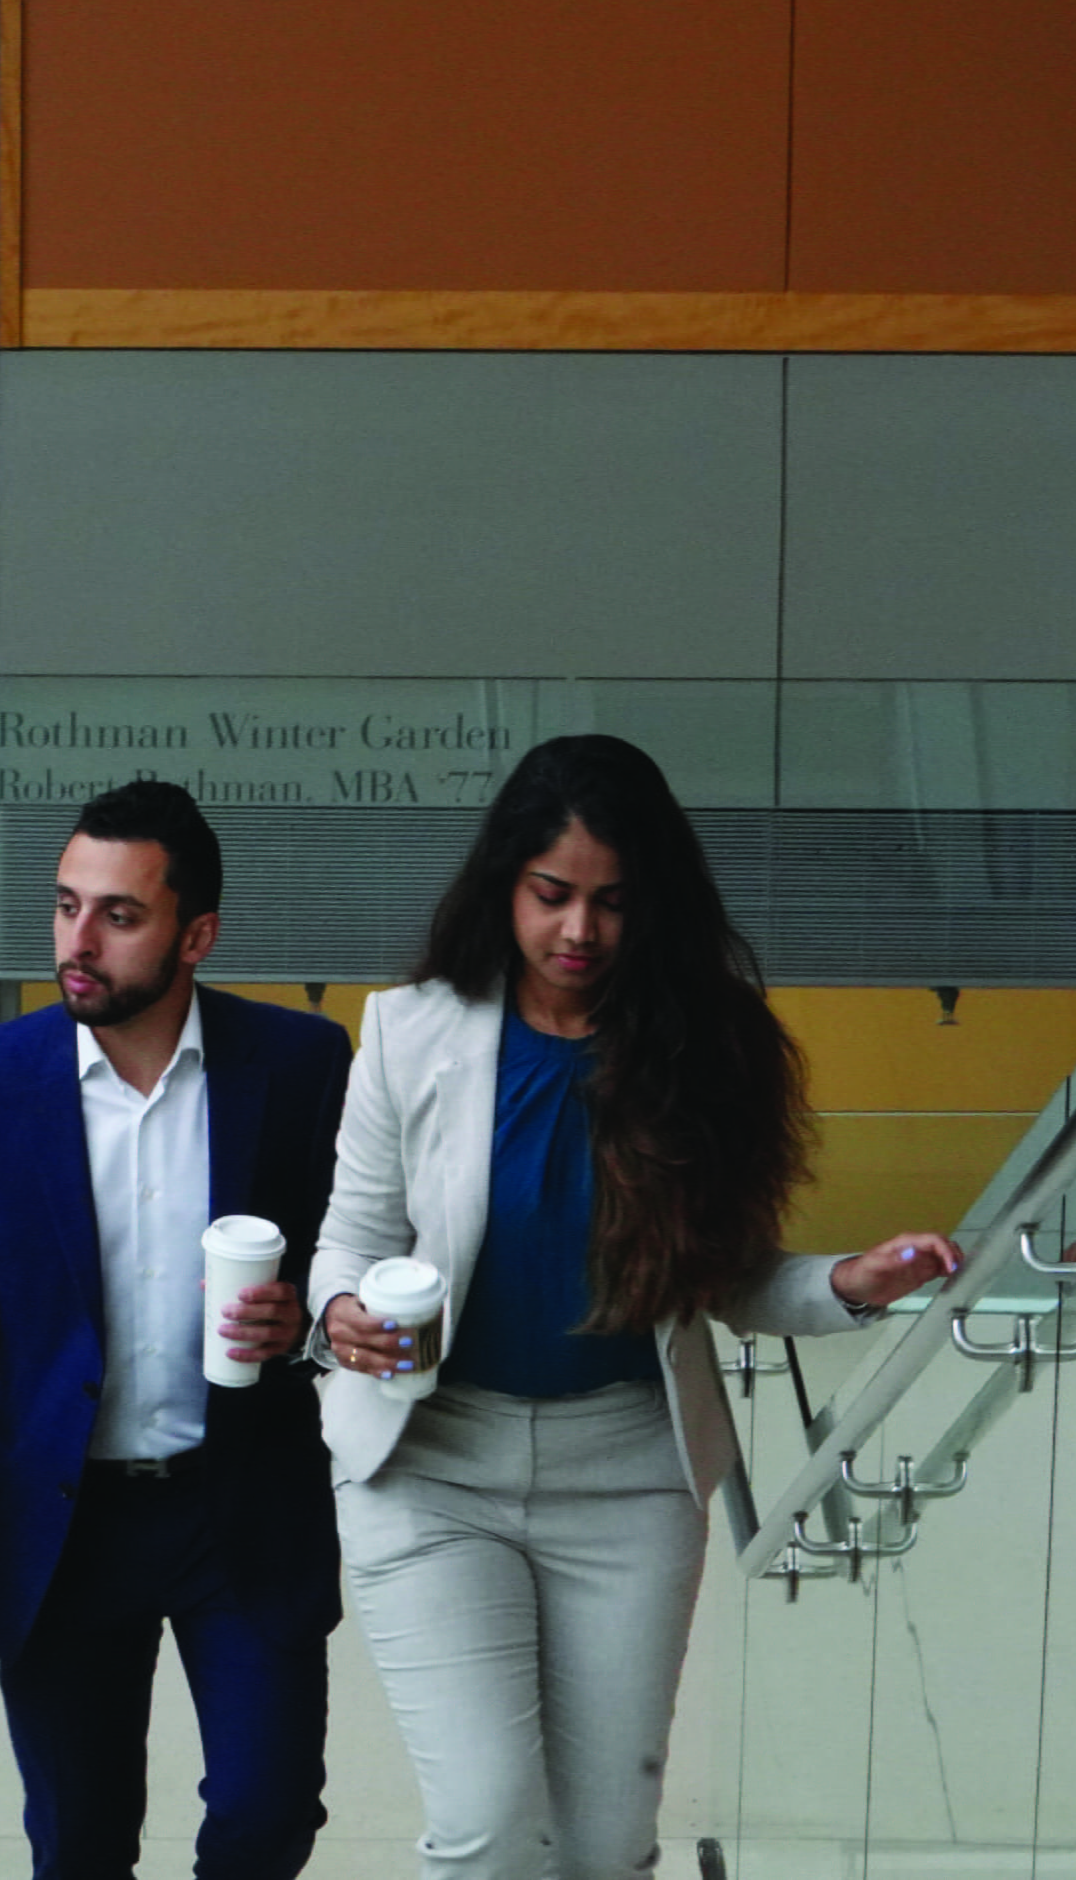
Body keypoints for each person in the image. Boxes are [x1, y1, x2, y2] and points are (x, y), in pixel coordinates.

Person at [308, 734, 960, 1880]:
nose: (578, 932)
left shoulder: (710, 1047)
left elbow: (732, 1277)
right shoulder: (408, 1030)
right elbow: (349, 1242)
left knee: (606, 1848)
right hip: (431, 1469)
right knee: (488, 1823)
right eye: (550, 896)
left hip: (627, 1479)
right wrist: (340, 1309)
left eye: (610, 903)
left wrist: (849, 1284)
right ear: (503, 882)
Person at [0, 779, 344, 1880]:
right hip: (61, 1520)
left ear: (197, 935)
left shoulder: (298, 1065)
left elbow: (364, 1256)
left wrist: (310, 1323)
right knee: (79, 1844)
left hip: (241, 1504)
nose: (75, 941)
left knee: (267, 1811)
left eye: (117, 915)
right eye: (63, 905)